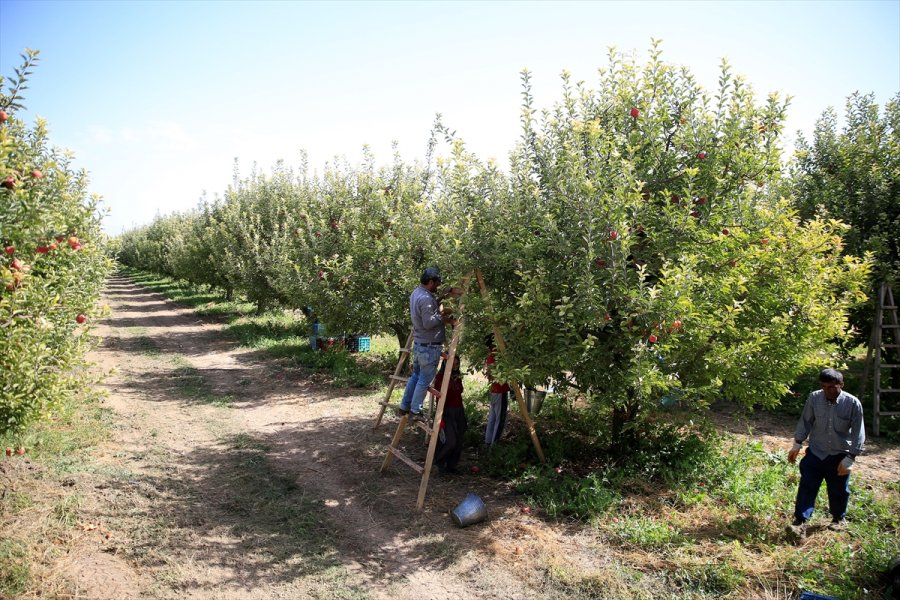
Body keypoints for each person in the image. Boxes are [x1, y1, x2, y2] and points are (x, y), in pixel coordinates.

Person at [787, 368, 865, 540]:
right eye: (823, 386)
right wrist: (797, 444)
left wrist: (850, 458)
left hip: (839, 456)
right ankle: (800, 522)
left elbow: (858, 433)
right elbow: (806, 420)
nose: (827, 391)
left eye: (831, 387)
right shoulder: (815, 398)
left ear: (840, 385)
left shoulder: (852, 403)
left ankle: (838, 519)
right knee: (807, 485)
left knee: (838, 490)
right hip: (816, 453)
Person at [398, 267, 456, 422]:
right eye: (436, 284)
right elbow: (428, 322)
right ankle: (415, 411)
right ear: (430, 282)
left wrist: (442, 296)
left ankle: (405, 406)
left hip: (420, 343)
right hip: (429, 346)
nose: (437, 287)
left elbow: (428, 311)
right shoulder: (425, 299)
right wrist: (444, 318)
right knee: (424, 380)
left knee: (416, 375)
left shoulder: (417, 293)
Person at [434, 354, 467, 475]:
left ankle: (451, 466)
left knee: (459, 440)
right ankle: (439, 462)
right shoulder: (440, 377)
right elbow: (439, 397)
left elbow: (459, 392)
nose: (455, 366)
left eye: (457, 364)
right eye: (452, 364)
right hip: (446, 411)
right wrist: (440, 416)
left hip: (458, 410)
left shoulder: (457, 376)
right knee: (450, 441)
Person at [484, 334, 509, 445]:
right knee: (499, 420)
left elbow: (489, 374)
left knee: (493, 418)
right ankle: (494, 445)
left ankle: (488, 442)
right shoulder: (497, 355)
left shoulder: (491, 355)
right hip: (500, 390)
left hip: (495, 390)